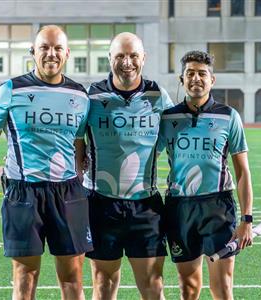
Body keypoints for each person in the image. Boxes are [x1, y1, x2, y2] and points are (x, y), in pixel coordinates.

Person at [0, 25, 92, 300]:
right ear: (33, 52)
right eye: (44, 48)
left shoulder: (80, 96)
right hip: (23, 192)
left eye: (57, 48)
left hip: (68, 192)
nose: (51, 54)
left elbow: (78, 142)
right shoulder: (10, 90)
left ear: (67, 53)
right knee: (25, 277)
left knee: (73, 278)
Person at [79, 32, 174, 300]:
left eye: (133, 55)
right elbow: (74, 135)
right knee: (103, 282)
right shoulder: (93, 96)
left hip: (145, 203)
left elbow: (177, 133)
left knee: (153, 284)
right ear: (110, 58)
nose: (127, 62)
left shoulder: (158, 95)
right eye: (120, 55)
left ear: (144, 58)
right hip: (101, 201)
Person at [157, 50, 253, 300]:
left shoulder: (228, 116)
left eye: (202, 73)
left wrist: (247, 220)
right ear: (182, 79)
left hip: (218, 208)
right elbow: (145, 156)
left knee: (222, 287)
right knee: (188, 287)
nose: (196, 78)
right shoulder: (168, 118)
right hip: (180, 208)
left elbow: (242, 172)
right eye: (190, 73)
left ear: (212, 79)